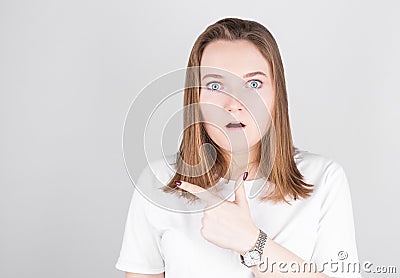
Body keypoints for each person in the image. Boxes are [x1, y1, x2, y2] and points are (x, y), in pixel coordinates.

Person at [115, 18, 362, 278]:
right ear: (195, 96)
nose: (234, 104)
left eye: (253, 84)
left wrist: (252, 243)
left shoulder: (323, 179)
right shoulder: (158, 182)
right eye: (215, 85)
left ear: (277, 95)